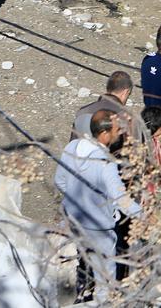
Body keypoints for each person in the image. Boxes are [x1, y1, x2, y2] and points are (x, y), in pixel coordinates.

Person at [54, 110, 142, 300]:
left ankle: (80, 296)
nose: (119, 133)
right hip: (99, 230)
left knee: (81, 266)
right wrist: (145, 214)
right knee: (105, 281)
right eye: (116, 130)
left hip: (74, 222)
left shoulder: (72, 147)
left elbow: (59, 181)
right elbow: (122, 200)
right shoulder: (105, 164)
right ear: (104, 134)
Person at [73, 70, 148, 144]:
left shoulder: (82, 111)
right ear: (126, 92)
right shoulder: (128, 118)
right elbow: (137, 150)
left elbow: (73, 144)